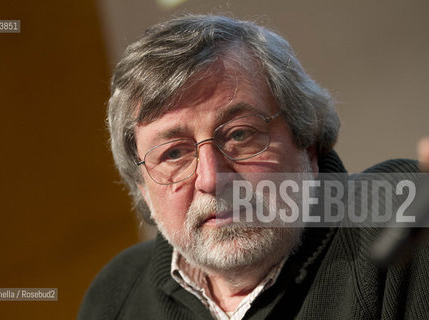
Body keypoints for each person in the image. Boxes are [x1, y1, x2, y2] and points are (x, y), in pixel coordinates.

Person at [78, 14, 429, 319]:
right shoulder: (115, 295)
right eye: (173, 154)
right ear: (141, 184)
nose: (212, 178)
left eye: (240, 134)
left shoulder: (398, 214)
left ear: (305, 137)